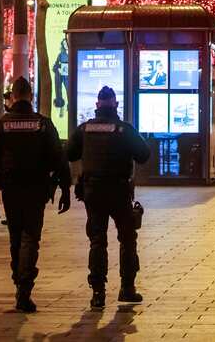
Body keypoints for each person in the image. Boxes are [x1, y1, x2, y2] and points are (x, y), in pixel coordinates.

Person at [0, 76, 70, 313]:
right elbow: (59, 159)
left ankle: (19, 280)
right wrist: (64, 188)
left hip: (10, 189)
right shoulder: (42, 124)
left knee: (15, 236)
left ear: (13, 97)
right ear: (30, 95)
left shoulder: (1, 125)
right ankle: (24, 287)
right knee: (30, 237)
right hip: (35, 189)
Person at [67, 85, 151, 309]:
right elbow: (143, 154)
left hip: (93, 192)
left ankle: (98, 293)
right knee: (127, 238)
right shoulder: (124, 129)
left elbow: (70, 153)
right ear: (115, 104)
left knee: (97, 241)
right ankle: (127, 288)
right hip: (119, 190)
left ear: (97, 105)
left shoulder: (85, 129)